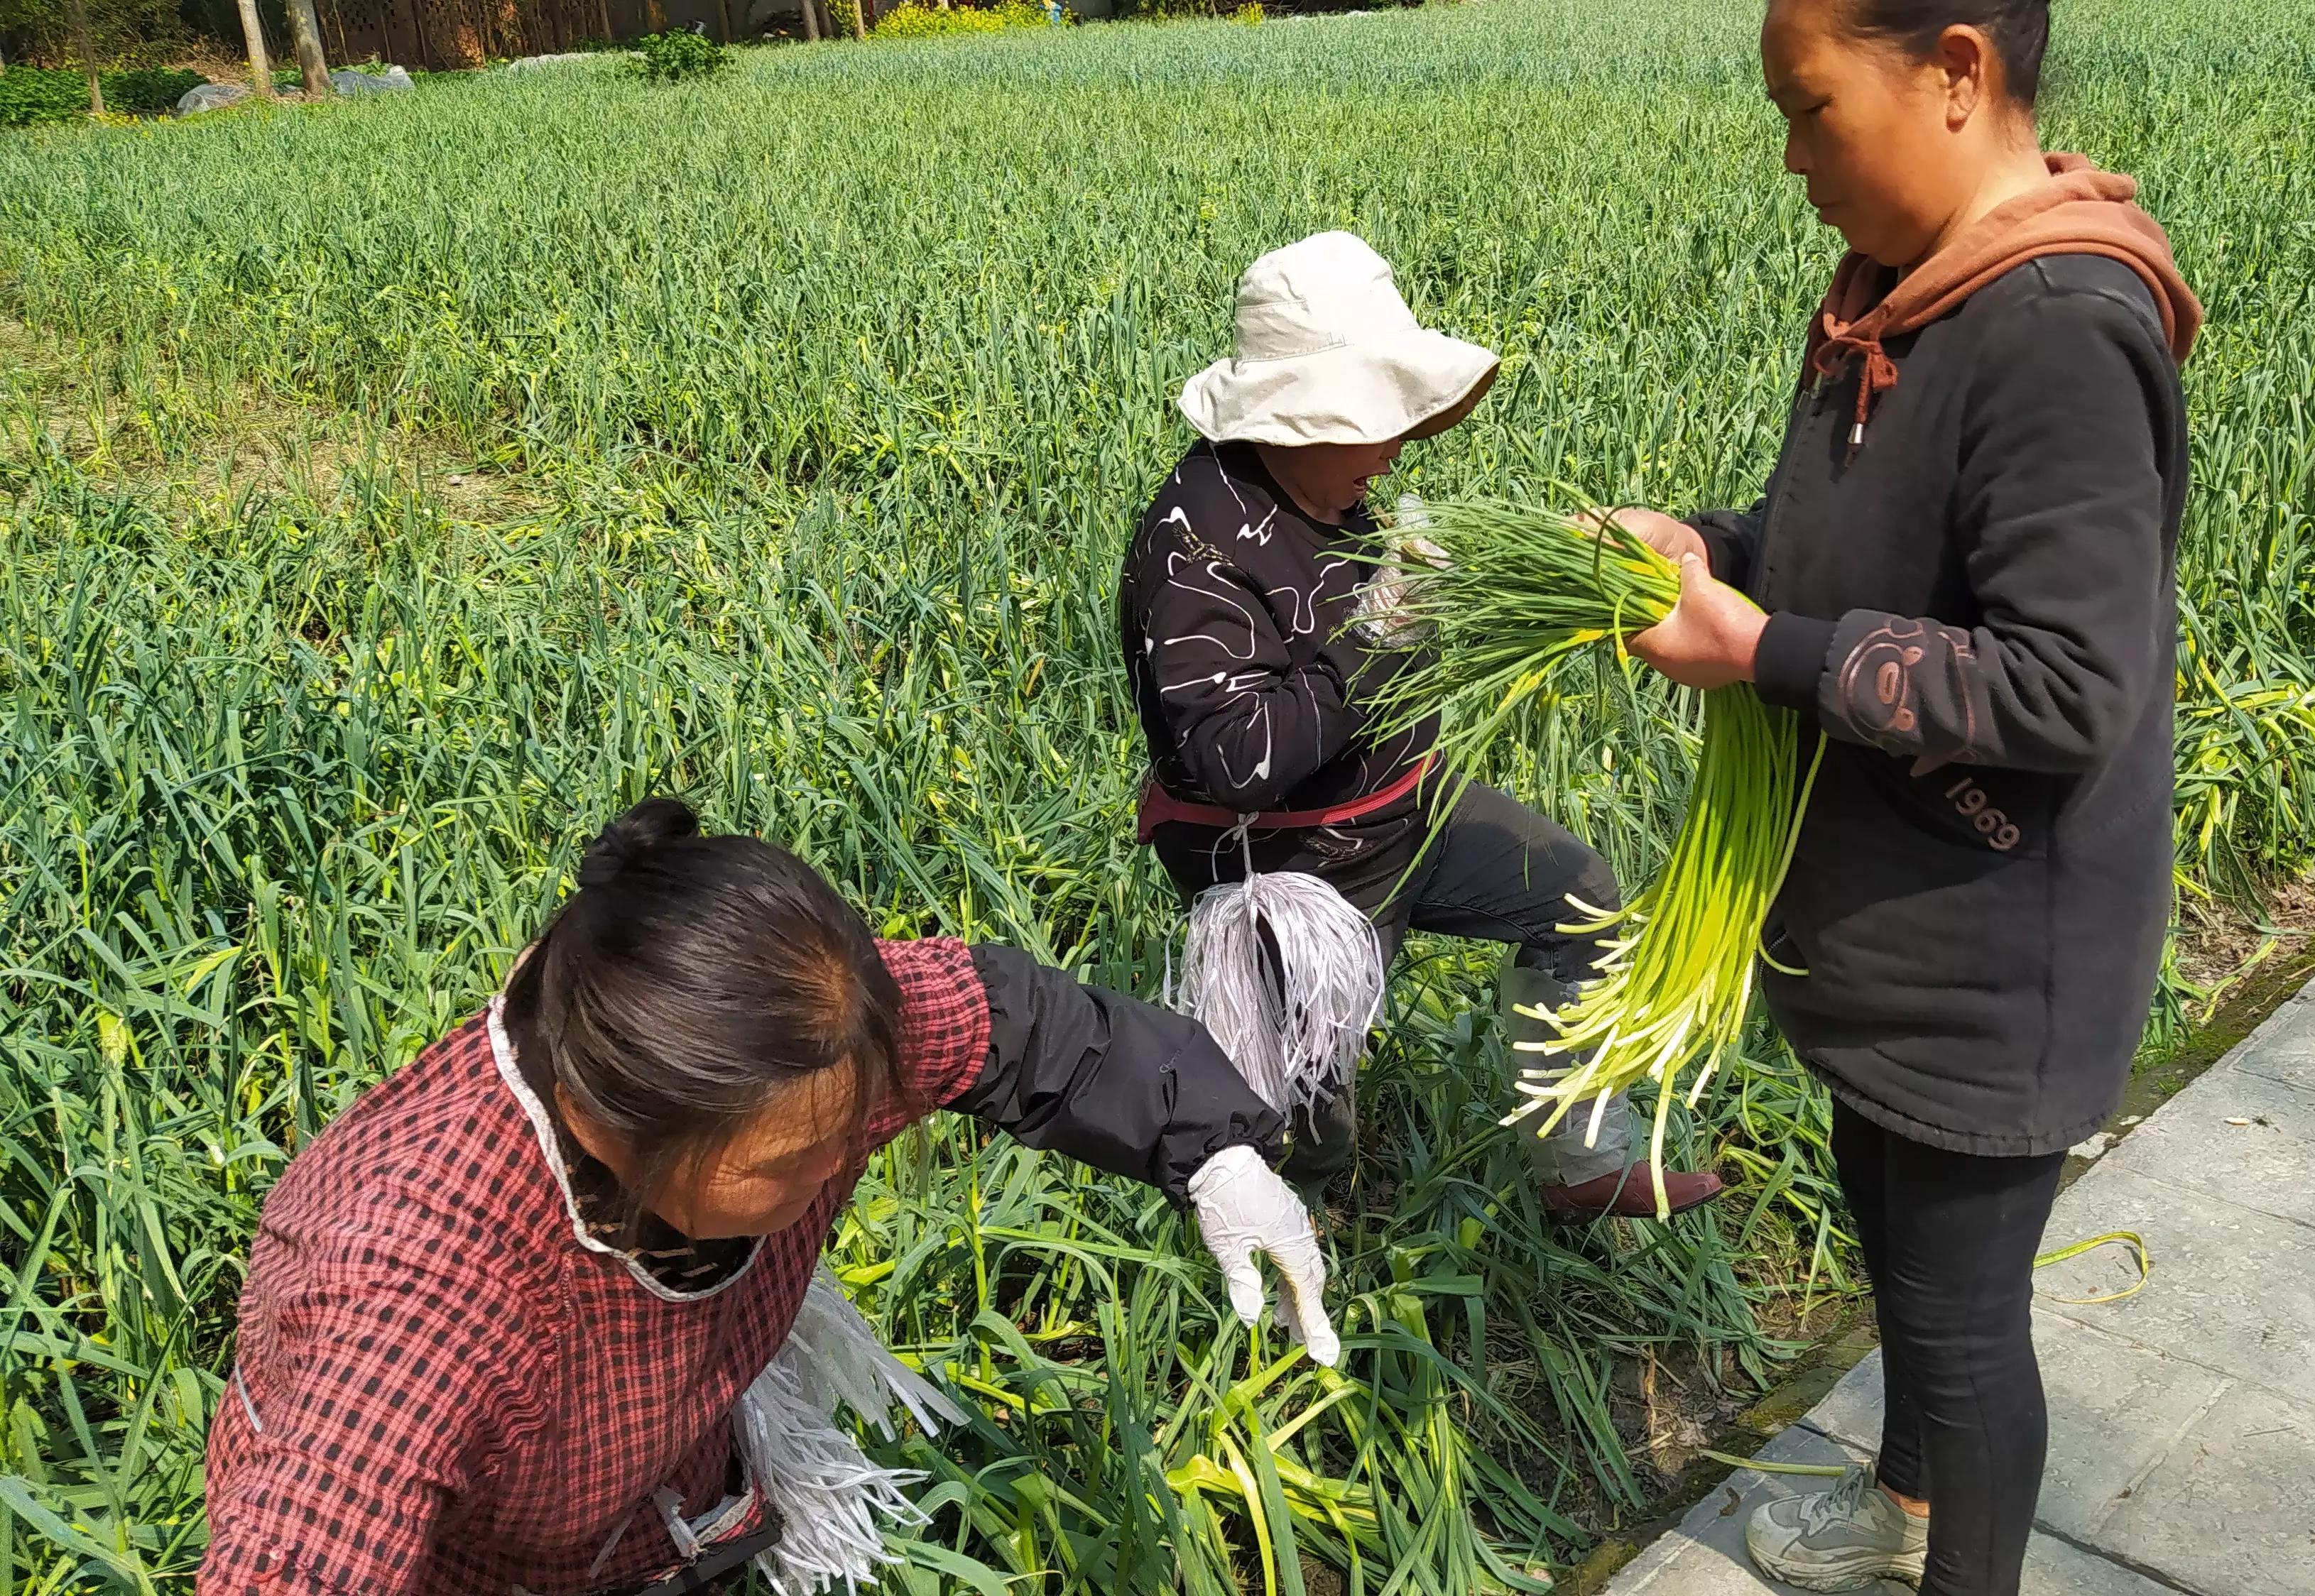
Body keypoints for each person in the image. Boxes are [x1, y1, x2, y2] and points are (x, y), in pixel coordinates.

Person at [1602, 0, 2200, 1588]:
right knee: (1907, 1270)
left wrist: (1767, 653)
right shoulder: (1902, 301)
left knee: (1961, 1326)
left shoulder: (2056, 326)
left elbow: (2068, 684)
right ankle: (1905, 1511)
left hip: (1996, 945)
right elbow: (1858, 551)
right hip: (1896, 916)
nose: (1790, 157)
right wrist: (1716, 555)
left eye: (1807, 109)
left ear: (1953, 71)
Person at [199, 799, 1334, 1596]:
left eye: (850, 1128)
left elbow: (1011, 1022)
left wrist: (1214, 1153)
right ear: (607, 1123)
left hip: (662, 1490)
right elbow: (303, 1554)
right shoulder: (412, 1294)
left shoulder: (806, 1047)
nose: (840, 1165)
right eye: (793, 1161)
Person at [1119, 230, 1724, 1220]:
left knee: (1581, 898)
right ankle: (1282, 1295)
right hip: (1298, 870)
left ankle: (1583, 1162)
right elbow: (1233, 760)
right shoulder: (1195, 548)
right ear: (1296, 418)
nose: (1399, 445)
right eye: (1379, 419)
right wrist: (1380, 636)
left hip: (1408, 809)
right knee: (1305, 1123)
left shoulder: (1331, 484)